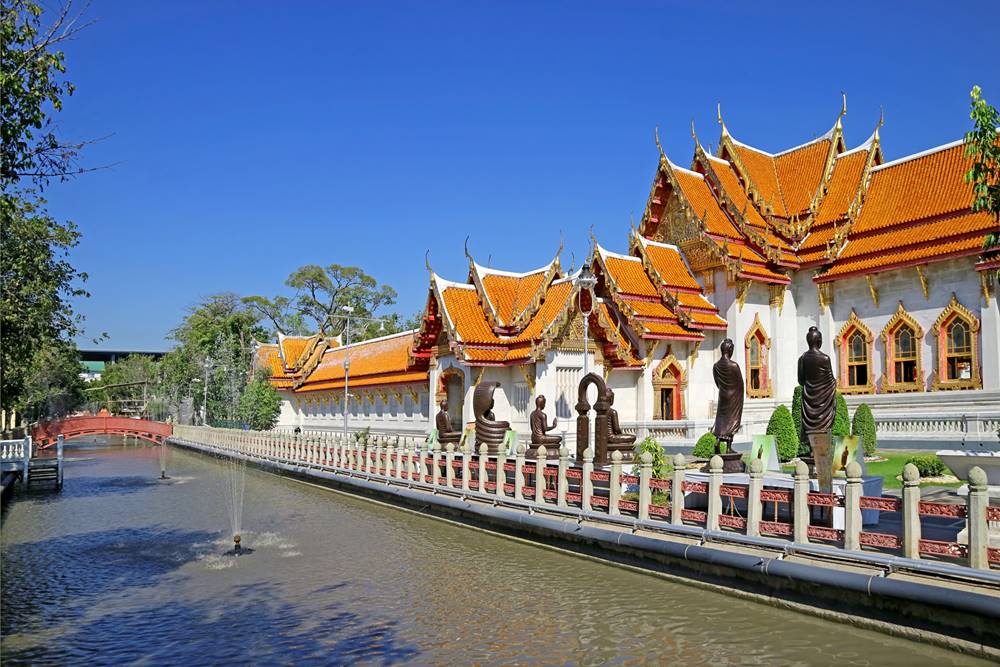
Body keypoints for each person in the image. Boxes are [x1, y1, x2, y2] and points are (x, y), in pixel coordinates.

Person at [797, 326, 837, 453]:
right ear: (819, 341)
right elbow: (831, 380)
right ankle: (819, 451)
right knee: (822, 428)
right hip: (823, 400)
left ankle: (811, 450)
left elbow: (801, 380)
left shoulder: (802, 359)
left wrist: (812, 385)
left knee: (811, 427)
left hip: (809, 397)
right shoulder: (825, 359)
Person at [711, 339, 744, 455]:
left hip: (723, 396)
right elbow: (740, 383)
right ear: (729, 350)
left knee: (721, 419)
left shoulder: (716, 366)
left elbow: (717, 382)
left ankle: (718, 441)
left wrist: (724, 389)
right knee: (733, 421)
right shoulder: (734, 366)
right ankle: (729, 447)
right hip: (734, 397)